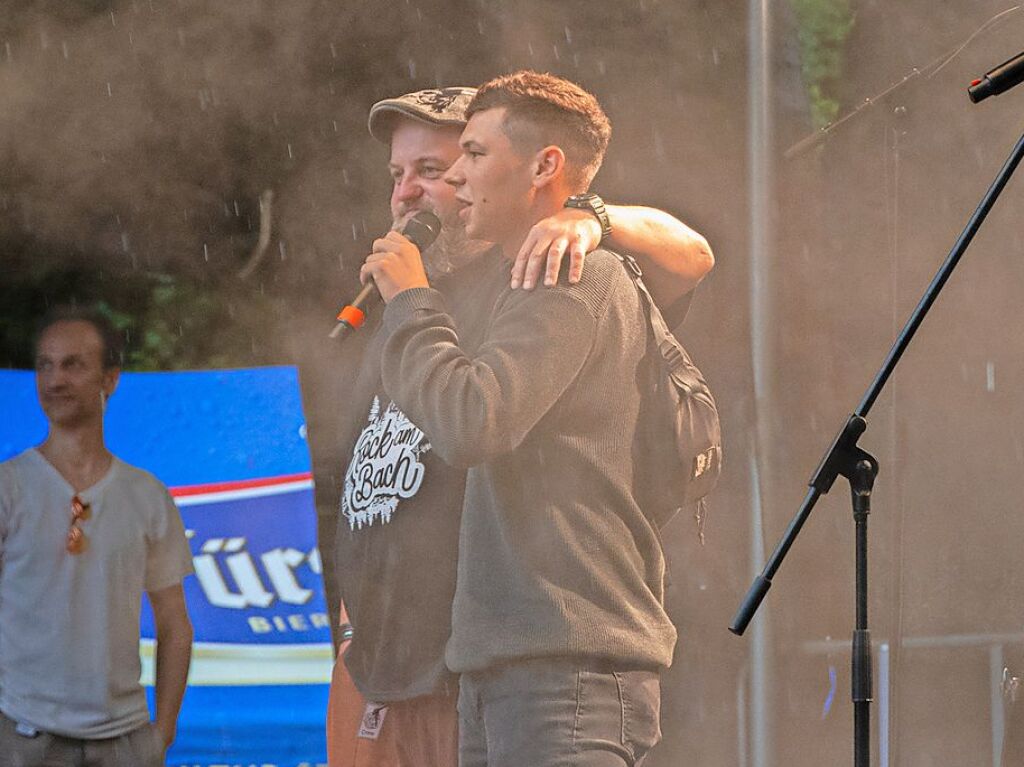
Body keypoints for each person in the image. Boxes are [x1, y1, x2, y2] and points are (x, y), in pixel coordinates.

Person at [326, 82, 713, 767]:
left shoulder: (554, 271)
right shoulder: (411, 306)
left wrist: (592, 214)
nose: (409, 192)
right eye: (397, 174)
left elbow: (693, 253)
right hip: (428, 668)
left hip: (536, 662)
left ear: (530, 165)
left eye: (444, 165)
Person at [0, 307, 194, 767]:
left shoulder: (147, 494)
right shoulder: (8, 486)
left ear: (110, 380)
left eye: (73, 364)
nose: (54, 380)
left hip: (125, 743)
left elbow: (175, 625)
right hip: (22, 737)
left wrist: (161, 734)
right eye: (45, 365)